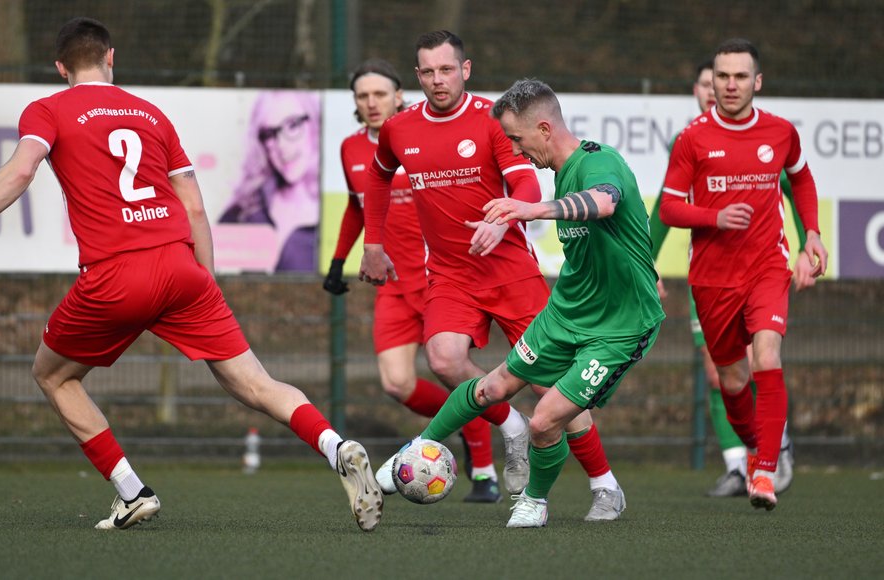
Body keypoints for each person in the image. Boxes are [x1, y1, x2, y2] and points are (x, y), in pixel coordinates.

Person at [0, 17, 382, 532]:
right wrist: (207, 282)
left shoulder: (48, 109)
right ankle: (335, 446)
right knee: (256, 384)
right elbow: (194, 208)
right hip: (183, 268)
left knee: (53, 375)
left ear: (61, 67)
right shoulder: (151, 114)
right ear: (110, 57)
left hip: (116, 275)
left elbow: (22, 169)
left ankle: (132, 492)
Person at [359, 31, 627, 521]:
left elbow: (525, 182)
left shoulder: (493, 121)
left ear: (465, 69)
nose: (438, 80)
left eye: (447, 69)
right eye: (428, 72)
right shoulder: (398, 129)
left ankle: (604, 484)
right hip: (450, 274)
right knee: (444, 358)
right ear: (417, 76)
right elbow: (377, 176)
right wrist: (372, 243)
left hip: (510, 271)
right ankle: (512, 426)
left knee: (551, 388)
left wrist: (503, 218)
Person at [660, 38, 828, 511]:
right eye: (722, 76)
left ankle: (766, 472)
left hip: (767, 267)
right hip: (713, 278)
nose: (730, 85)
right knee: (731, 382)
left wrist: (812, 234)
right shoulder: (692, 138)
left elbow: (801, 178)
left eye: (740, 76)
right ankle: (757, 447)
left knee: (767, 356)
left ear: (757, 81)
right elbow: (669, 207)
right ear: (711, 82)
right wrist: (714, 217)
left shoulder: (780, 132)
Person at [323, 58, 501, 502]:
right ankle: (459, 422)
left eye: (380, 94)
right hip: (393, 286)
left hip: (439, 280)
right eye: (363, 96)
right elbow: (358, 207)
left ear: (399, 95)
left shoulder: (415, 135)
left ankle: (485, 474)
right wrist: (339, 259)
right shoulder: (350, 148)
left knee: (455, 372)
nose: (371, 102)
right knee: (396, 383)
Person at [218, 91, 321, 273]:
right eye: (269, 134)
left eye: (292, 125)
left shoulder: (338, 212)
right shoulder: (244, 211)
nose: (281, 145)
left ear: (315, 124)